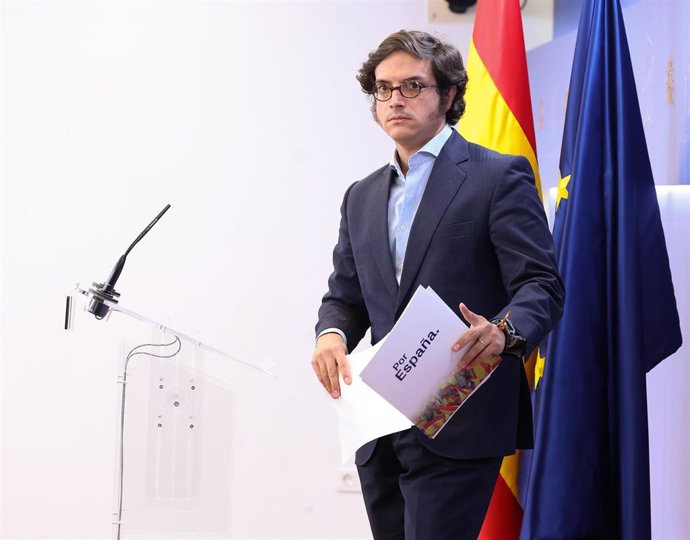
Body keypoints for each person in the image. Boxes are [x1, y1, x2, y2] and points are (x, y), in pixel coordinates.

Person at [311, 30, 564, 540]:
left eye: (411, 86)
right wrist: (331, 335)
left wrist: (504, 332)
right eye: (382, 89)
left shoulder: (497, 177)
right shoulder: (360, 196)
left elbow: (541, 284)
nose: (394, 100)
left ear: (448, 95)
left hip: (458, 411)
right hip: (379, 421)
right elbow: (346, 295)